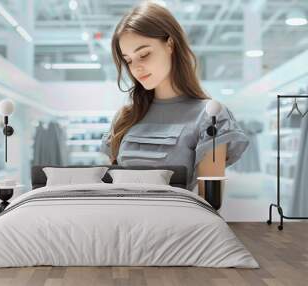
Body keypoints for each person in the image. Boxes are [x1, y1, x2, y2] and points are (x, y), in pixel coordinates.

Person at [101, 2, 249, 195]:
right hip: (120, 222)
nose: (136, 68)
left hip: (176, 222)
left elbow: (210, 202)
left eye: (144, 54)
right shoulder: (125, 117)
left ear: (170, 44)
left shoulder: (210, 116)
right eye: (128, 60)